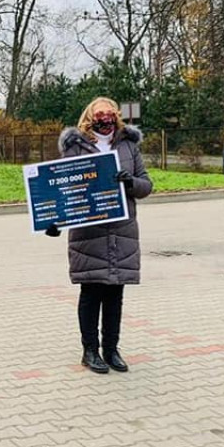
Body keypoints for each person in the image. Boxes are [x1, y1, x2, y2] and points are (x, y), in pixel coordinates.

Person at [53, 97, 153, 374]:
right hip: (89, 232)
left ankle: (112, 349)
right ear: (90, 116)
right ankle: (90, 351)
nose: (106, 118)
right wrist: (54, 220)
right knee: (91, 291)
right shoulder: (75, 147)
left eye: (111, 113)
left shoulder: (128, 145)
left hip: (122, 231)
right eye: (100, 114)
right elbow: (63, 187)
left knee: (114, 293)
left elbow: (146, 185)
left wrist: (130, 182)